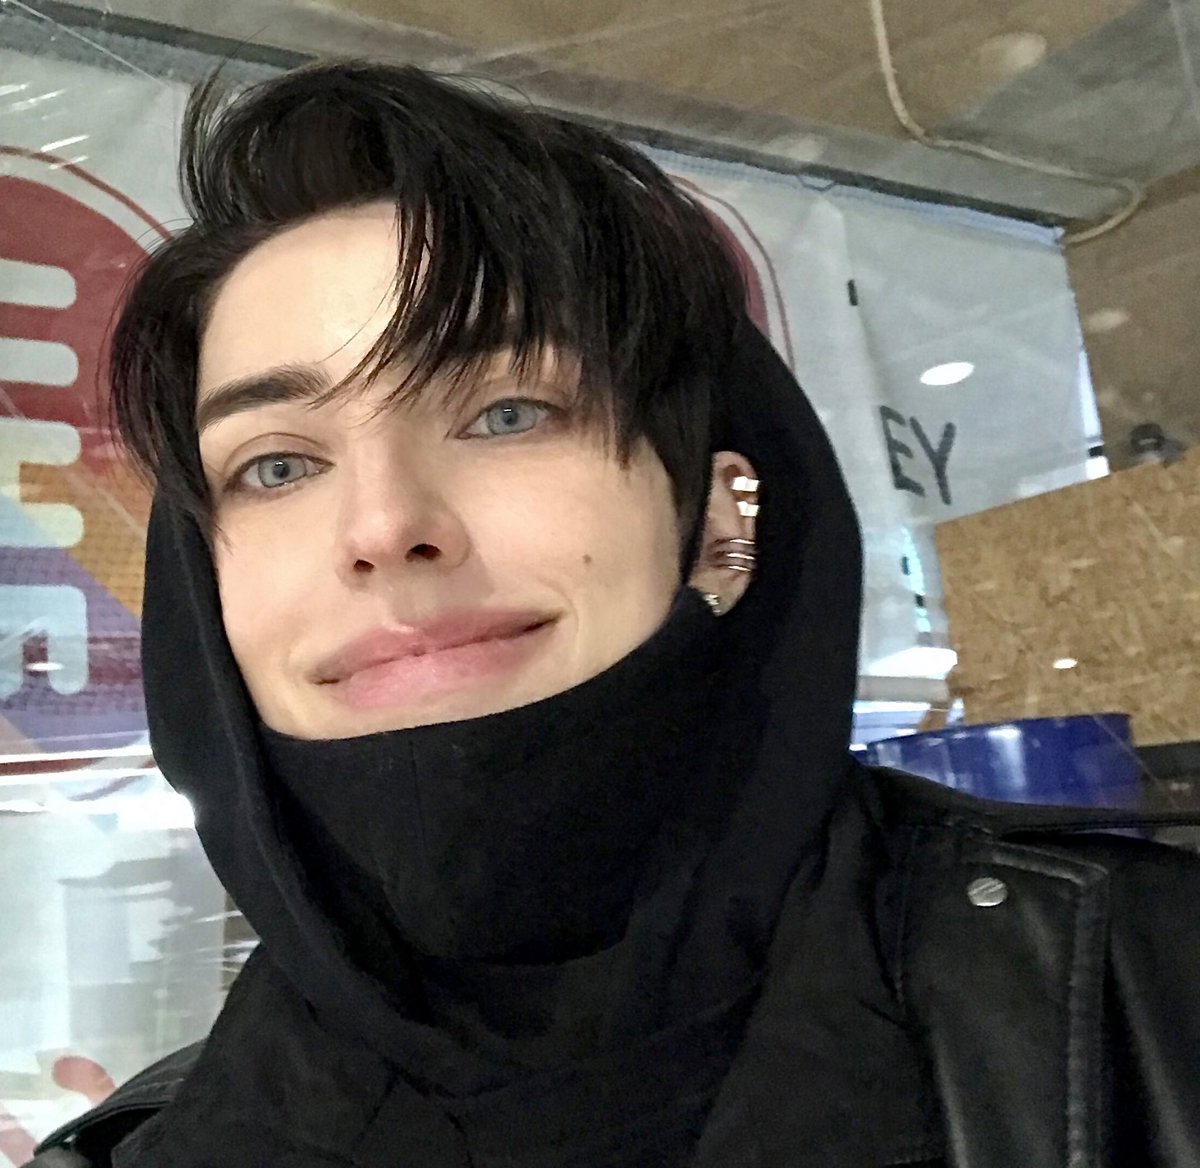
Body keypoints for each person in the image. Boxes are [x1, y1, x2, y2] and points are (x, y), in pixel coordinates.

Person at [28, 60, 1200, 1168]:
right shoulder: (146, 1147)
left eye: (508, 413)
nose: (384, 525)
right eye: (277, 465)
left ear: (719, 510)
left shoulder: (1149, 994)